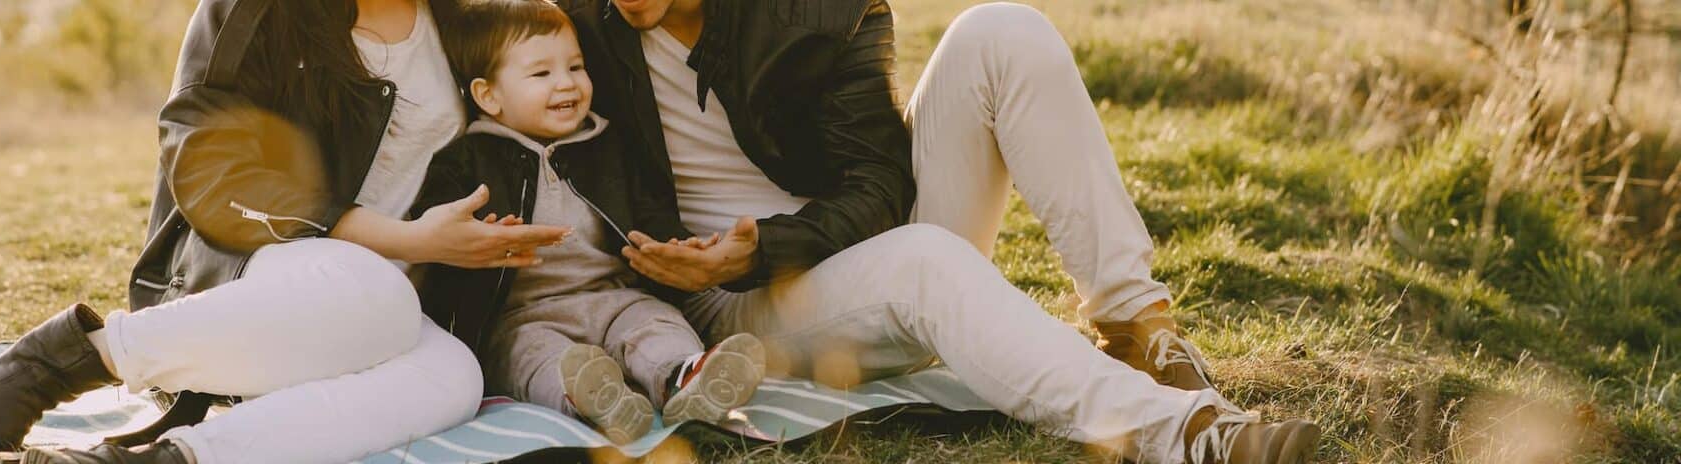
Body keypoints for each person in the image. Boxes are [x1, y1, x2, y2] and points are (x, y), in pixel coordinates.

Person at [559, 0, 1323, 462]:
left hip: (842, 242)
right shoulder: (575, 25)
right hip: (735, 308)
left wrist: (770, 243)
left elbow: (880, 188)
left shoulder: (820, 10)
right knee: (926, 261)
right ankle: (1186, 434)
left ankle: (1135, 324)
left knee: (1003, 31)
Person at [0, 0, 572, 463]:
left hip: (376, 316)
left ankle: (168, 459)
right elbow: (204, 156)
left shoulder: (464, 18)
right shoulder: (260, 9)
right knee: (383, 295)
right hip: (251, 270)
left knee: (454, 376)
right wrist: (406, 240)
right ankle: (59, 363)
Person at [408, 0, 766, 444]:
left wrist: (679, 246)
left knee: (656, 325)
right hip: (523, 316)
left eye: (576, 67)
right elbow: (437, 237)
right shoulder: (468, 160)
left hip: (618, 296)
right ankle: (590, 401)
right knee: (531, 357)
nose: (567, 84)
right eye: (542, 74)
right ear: (488, 95)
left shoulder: (607, 144)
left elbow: (649, 212)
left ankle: (685, 377)